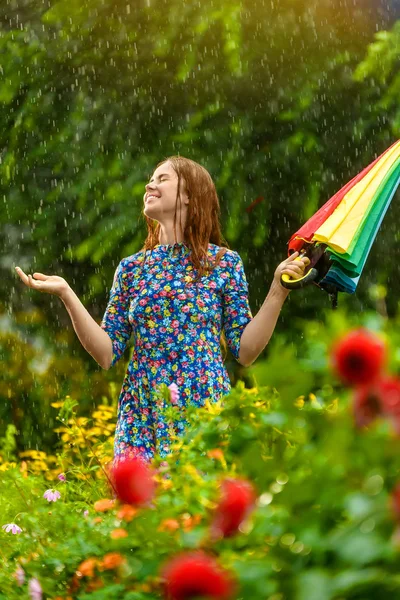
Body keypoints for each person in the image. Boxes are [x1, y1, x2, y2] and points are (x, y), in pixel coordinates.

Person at [15, 156, 309, 464]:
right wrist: (66, 293)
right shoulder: (131, 269)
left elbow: (245, 351)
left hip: (202, 407)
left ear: (188, 196)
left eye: (162, 179)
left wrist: (279, 289)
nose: (149, 185)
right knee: (140, 509)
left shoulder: (224, 263)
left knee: (197, 507)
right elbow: (106, 353)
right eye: (151, 179)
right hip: (143, 412)